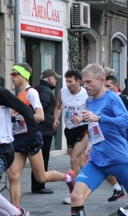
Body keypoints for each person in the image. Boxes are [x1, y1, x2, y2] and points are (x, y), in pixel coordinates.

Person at [68, 64, 128, 216]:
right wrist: (89, 137)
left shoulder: (112, 98)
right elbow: (95, 125)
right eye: (84, 82)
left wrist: (99, 118)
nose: (85, 86)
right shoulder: (90, 101)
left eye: (89, 82)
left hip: (119, 160)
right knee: (76, 196)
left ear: (101, 80)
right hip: (97, 161)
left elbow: (126, 123)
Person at [9, 63, 74, 215]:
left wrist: (18, 117)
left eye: (15, 74)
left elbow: (40, 116)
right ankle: (15, 210)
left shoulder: (31, 93)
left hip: (31, 137)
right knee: (13, 176)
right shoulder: (17, 95)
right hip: (18, 138)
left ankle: (68, 177)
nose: (12, 77)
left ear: (24, 75)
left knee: (41, 176)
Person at [0, 87, 44, 216]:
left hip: (3, 149)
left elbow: (26, 111)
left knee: (41, 176)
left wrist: (32, 137)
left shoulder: (2, 93)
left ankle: (17, 213)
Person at [53, 69, 89, 205]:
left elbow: (94, 110)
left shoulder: (86, 94)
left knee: (74, 158)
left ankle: (75, 191)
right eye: (66, 81)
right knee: (77, 160)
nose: (67, 84)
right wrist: (56, 119)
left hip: (83, 127)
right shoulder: (62, 92)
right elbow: (58, 107)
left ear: (78, 81)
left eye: (70, 81)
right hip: (69, 129)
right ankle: (89, 179)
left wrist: (81, 118)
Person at [104, 75, 128, 202]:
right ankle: (117, 188)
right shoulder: (101, 99)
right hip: (107, 138)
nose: (106, 89)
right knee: (105, 164)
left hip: (125, 136)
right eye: (104, 86)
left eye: (108, 86)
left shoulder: (124, 98)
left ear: (116, 86)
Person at [30, 69, 61, 195]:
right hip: (43, 131)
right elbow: (40, 110)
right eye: (55, 78)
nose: (57, 80)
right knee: (43, 159)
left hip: (42, 130)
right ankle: (39, 185)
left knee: (39, 158)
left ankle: (37, 184)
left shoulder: (39, 89)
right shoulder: (46, 91)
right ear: (49, 78)